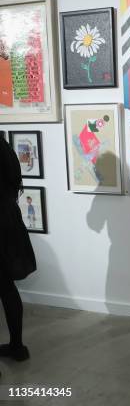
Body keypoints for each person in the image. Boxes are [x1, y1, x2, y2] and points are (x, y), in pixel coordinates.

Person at [0, 137, 36, 365]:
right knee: (6, 287)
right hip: (8, 220)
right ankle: (17, 346)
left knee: (5, 288)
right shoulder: (4, 147)